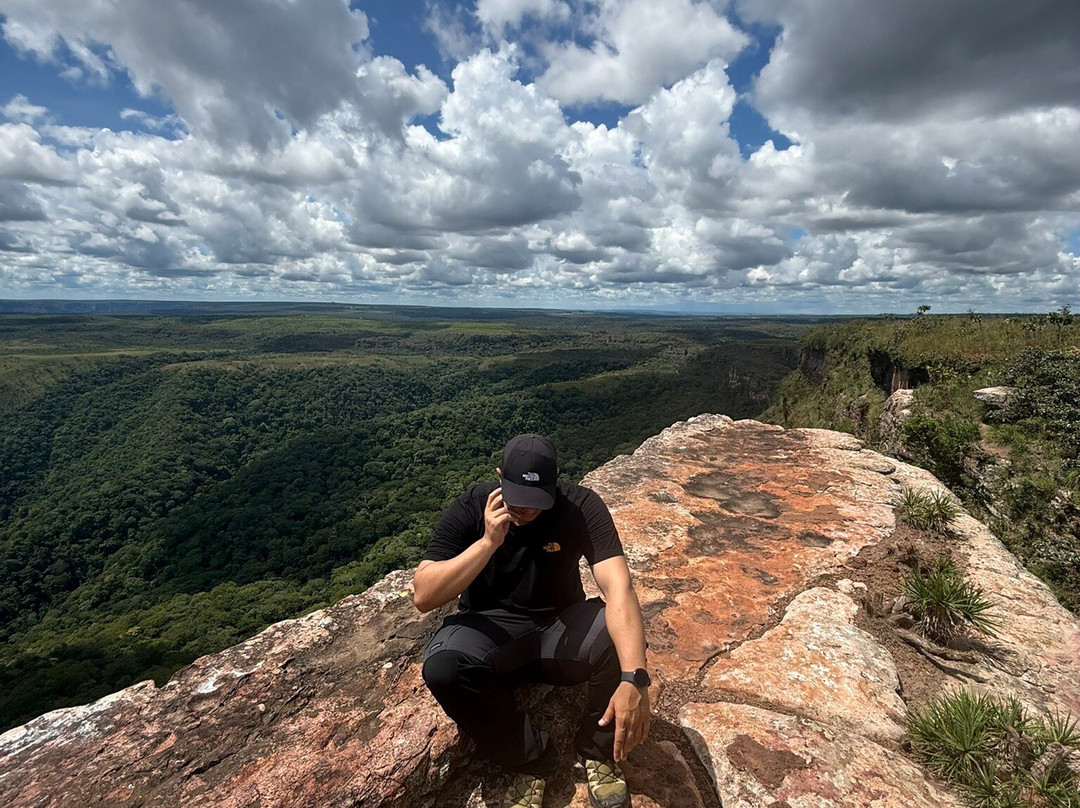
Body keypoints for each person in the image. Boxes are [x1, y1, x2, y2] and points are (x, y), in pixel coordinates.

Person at [414, 434, 651, 808]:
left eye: (537, 501)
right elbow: (424, 595)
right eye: (517, 499)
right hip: (490, 631)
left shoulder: (581, 507)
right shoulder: (473, 504)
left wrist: (635, 678)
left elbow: (619, 587)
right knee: (444, 668)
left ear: (555, 482)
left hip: (559, 627)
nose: (525, 510)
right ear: (499, 477)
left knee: (620, 639)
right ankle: (530, 759)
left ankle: (598, 750)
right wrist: (488, 542)